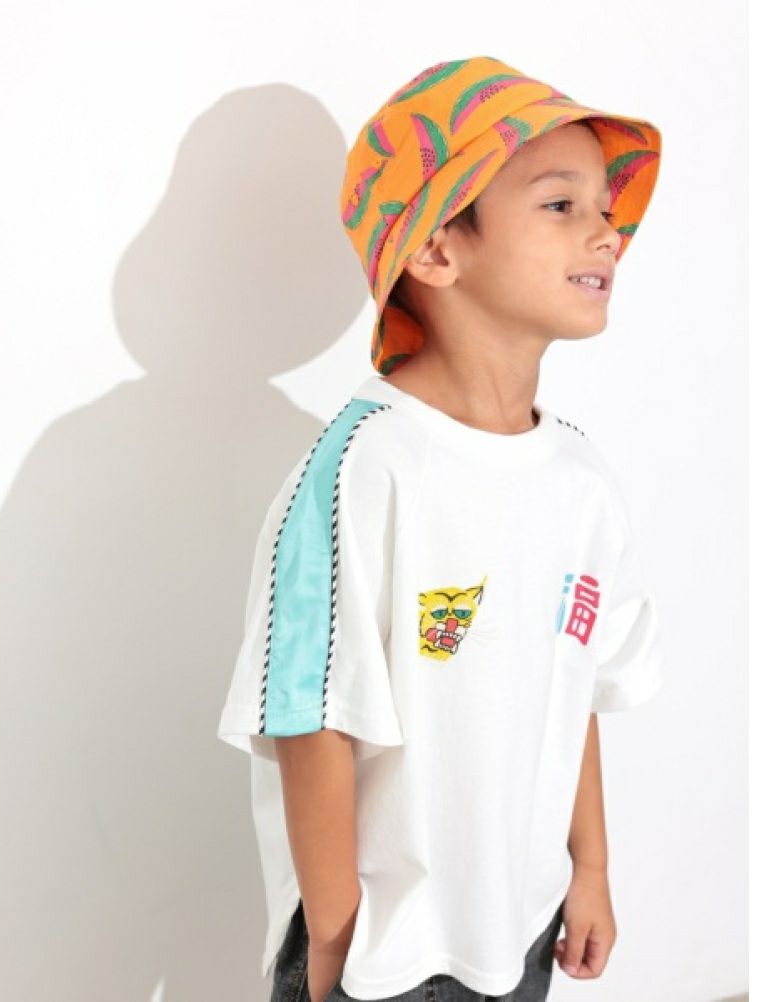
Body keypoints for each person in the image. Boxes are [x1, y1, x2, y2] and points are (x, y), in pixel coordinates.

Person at [217, 54, 665, 1001]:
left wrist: (588, 868)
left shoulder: (580, 479)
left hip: (520, 927)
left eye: (604, 207)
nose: (607, 231)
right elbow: (307, 716)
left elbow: (574, 683)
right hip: (385, 952)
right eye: (561, 204)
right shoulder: (367, 465)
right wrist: (335, 940)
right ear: (435, 250)